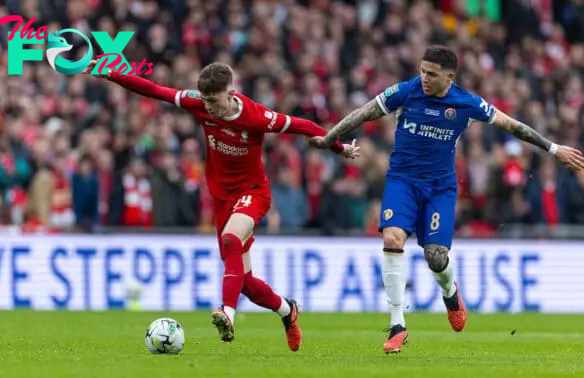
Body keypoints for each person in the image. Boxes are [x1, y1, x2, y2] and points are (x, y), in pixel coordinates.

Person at [310, 45, 584, 354]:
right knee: (392, 237)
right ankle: (398, 325)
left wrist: (553, 148)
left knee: (436, 256)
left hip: (440, 189)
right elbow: (363, 112)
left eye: (431, 74)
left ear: (449, 76)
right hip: (402, 181)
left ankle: (450, 293)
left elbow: (512, 126)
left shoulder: (466, 103)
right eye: (422, 71)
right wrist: (330, 137)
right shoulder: (406, 91)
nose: (424, 78)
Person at [82, 60, 360, 351]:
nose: (209, 108)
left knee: (230, 239)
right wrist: (109, 73)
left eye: (214, 101)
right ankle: (287, 311)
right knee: (248, 284)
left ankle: (227, 313)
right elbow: (153, 90)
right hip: (221, 197)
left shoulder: (256, 116)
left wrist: (339, 148)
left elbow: (304, 125)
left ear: (231, 92)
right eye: (205, 101)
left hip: (253, 192)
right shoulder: (199, 103)